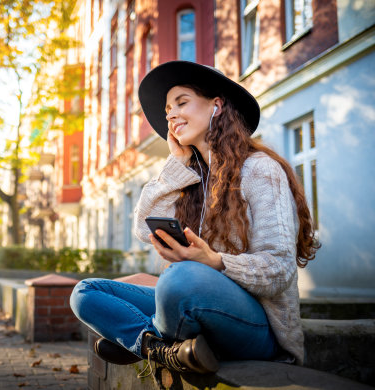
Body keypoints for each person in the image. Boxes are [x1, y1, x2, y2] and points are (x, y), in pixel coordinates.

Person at [70, 61, 319, 382]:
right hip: (194, 310)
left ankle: (138, 341)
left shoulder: (260, 170)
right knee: (85, 292)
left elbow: (280, 269)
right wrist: (177, 163)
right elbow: (143, 228)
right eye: (167, 109)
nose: (170, 115)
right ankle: (156, 347)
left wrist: (213, 262)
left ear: (216, 105)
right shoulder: (190, 179)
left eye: (181, 102)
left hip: (257, 329)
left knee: (180, 278)